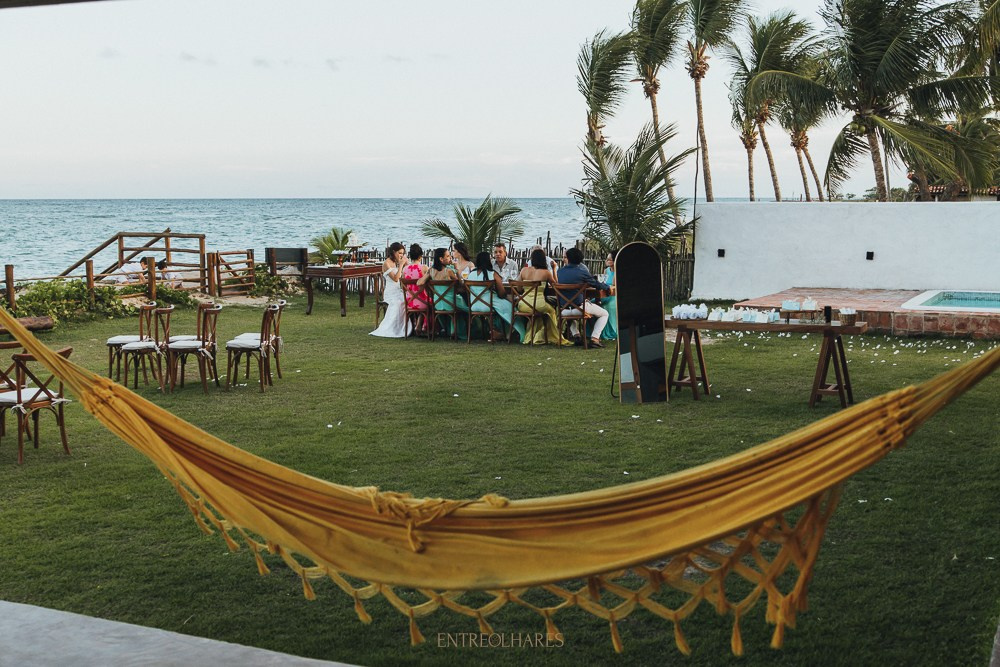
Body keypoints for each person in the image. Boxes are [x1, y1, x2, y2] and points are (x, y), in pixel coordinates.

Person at [555, 247, 611, 348]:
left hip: (563, 310)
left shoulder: (559, 272)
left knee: (569, 310)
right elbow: (597, 285)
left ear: (567, 258)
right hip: (580, 308)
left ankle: (576, 335)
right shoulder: (582, 272)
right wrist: (607, 287)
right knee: (604, 314)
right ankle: (594, 338)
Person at [515, 249, 572, 346]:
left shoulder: (524, 270)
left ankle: (536, 335)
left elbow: (519, 289)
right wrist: (554, 269)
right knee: (552, 311)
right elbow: (556, 286)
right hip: (538, 304)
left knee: (540, 313)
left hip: (523, 304)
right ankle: (553, 336)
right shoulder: (546, 272)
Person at [468, 251, 525, 342]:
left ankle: (500, 333)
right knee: (510, 308)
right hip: (487, 305)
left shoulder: (471, 274)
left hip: (474, 305)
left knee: (502, 308)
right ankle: (516, 333)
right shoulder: (492, 274)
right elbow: (502, 293)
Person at [419, 247, 464, 338]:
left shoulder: (431, 271)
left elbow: (419, 282)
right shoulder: (449, 271)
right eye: (447, 256)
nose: (450, 257)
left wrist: (428, 277)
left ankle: (448, 330)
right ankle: (460, 332)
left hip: (438, 303)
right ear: (441, 259)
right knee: (467, 308)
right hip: (451, 302)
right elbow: (461, 283)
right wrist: (457, 269)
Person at [370, 242, 408, 338]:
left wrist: (406, 264)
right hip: (390, 293)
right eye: (399, 253)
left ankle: (407, 327)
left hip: (399, 291)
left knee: (408, 300)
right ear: (393, 252)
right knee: (398, 303)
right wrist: (401, 266)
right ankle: (393, 328)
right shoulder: (387, 263)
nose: (401, 255)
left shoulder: (397, 262)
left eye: (402, 253)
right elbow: (395, 279)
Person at [402, 244, 430, 334]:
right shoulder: (424, 268)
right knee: (432, 302)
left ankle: (416, 324)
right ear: (420, 256)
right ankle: (423, 325)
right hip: (423, 302)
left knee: (423, 299)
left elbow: (402, 286)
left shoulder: (405, 269)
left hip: (409, 301)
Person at [599, 249, 618, 341]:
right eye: (607, 259)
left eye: (610, 259)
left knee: (608, 306)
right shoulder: (606, 271)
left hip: (614, 296)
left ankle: (610, 332)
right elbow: (603, 282)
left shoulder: (618, 271)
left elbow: (614, 286)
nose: (607, 261)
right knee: (592, 303)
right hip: (605, 293)